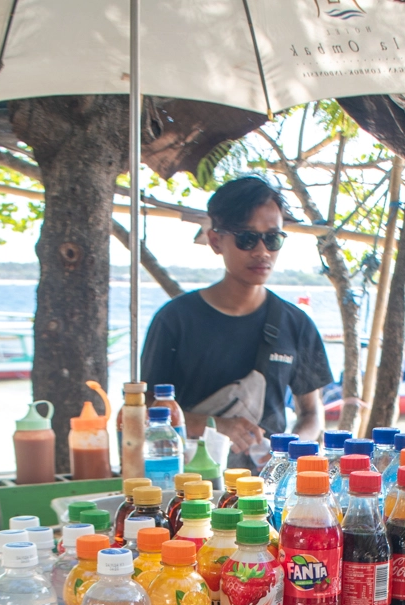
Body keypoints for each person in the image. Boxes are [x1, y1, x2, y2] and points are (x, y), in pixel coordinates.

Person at [140, 176, 333, 466]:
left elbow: (312, 414)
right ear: (216, 241)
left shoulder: (297, 324)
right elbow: (148, 413)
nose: (261, 251)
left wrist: (291, 449)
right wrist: (216, 425)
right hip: (193, 490)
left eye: (272, 238)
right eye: (246, 238)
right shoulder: (175, 320)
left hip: (265, 490)